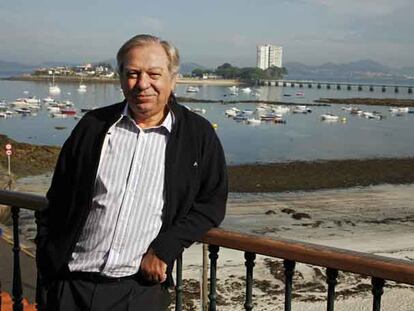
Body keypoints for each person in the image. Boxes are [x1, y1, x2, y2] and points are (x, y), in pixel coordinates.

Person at [35, 34, 228, 311]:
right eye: (133, 73)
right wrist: (48, 256)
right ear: (121, 78)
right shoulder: (94, 125)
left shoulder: (198, 136)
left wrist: (164, 248)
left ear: (173, 79)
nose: (142, 84)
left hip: (137, 290)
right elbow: (59, 197)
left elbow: (211, 203)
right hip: (69, 285)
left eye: (154, 74)